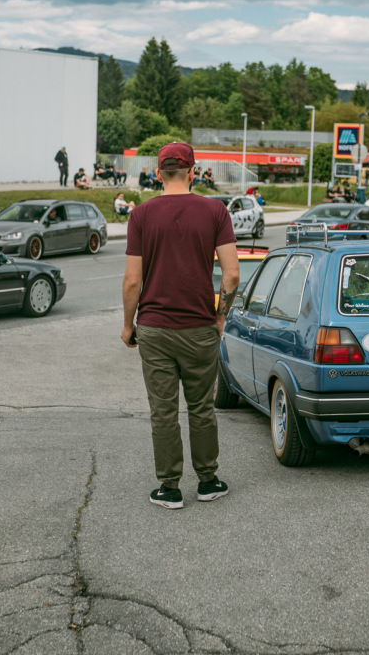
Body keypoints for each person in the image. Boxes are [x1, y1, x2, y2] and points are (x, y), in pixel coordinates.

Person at [121, 142, 239, 510]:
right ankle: (207, 481)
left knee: (163, 411)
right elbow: (232, 275)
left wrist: (129, 325)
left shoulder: (140, 215)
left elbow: (131, 282)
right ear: (192, 172)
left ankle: (169, 488)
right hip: (200, 327)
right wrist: (219, 315)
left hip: (154, 328)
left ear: (158, 173)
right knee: (201, 407)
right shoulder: (215, 211)